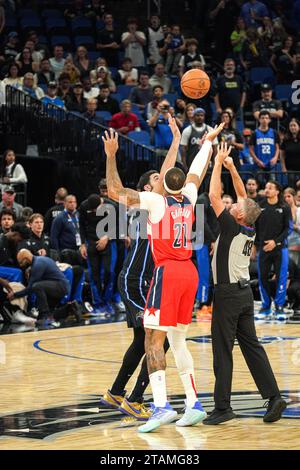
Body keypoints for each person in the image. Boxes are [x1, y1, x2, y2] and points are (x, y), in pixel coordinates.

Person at [103, 123, 225, 432]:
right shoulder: (189, 194)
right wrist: (208, 143)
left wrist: (111, 155)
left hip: (167, 272)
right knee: (178, 340)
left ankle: (160, 407)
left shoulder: (157, 202)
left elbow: (116, 192)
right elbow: (198, 170)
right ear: (181, 184)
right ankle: (193, 402)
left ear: (163, 186)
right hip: (190, 273)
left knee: (152, 340)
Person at [101, 115, 180, 420]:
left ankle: (116, 393)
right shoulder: (147, 202)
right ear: (149, 187)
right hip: (134, 281)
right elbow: (113, 190)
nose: (165, 178)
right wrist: (111, 157)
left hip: (146, 282)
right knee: (157, 338)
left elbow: (167, 170)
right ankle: (134, 399)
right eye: (158, 178)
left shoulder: (159, 203)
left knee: (144, 339)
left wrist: (175, 140)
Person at [203, 142, 286, 425]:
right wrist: (232, 167)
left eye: (234, 206)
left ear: (237, 215)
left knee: (222, 350)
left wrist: (216, 162)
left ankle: (223, 407)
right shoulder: (249, 226)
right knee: (252, 347)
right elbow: (242, 195)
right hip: (245, 296)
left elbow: (214, 194)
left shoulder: (230, 225)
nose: (232, 204)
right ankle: (274, 397)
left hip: (227, 295)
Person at [253, 181, 292, 320]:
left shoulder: (284, 207)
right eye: (266, 187)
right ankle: (266, 306)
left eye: (270, 188)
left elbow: (289, 229)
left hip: (280, 248)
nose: (266, 190)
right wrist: (254, 244)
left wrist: (275, 242)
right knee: (262, 277)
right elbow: (254, 227)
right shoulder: (260, 206)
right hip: (263, 248)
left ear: (277, 192)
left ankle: (279, 306)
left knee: (281, 277)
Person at [79, 193, 118, 314]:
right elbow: (81, 225)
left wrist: (107, 237)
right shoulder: (84, 206)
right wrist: (82, 244)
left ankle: (107, 301)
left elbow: (117, 225)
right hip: (91, 241)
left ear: (102, 203)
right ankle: (98, 303)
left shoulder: (111, 206)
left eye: (97, 208)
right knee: (93, 274)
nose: (95, 211)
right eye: (93, 209)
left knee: (109, 272)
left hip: (108, 241)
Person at [10, 249, 70, 322]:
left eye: (21, 262)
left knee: (37, 286)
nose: (21, 265)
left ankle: (45, 315)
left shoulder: (38, 265)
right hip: (59, 286)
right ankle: (68, 308)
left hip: (60, 287)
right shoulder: (41, 260)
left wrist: (15, 295)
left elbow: (30, 288)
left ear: (26, 259)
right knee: (39, 287)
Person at [50, 195, 82, 261]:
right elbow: (54, 237)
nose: (72, 204)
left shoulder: (79, 215)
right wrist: (57, 254)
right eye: (70, 202)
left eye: (74, 202)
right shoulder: (59, 218)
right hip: (66, 253)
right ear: (65, 203)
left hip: (79, 250)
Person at [283, 188, 300, 267]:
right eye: (285, 197)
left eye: (289, 196)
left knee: (296, 266)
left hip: (297, 240)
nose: (286, 199)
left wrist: (295, 227)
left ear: (294, 197)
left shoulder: (299, 210)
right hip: (285, 241)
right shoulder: (281, 211)